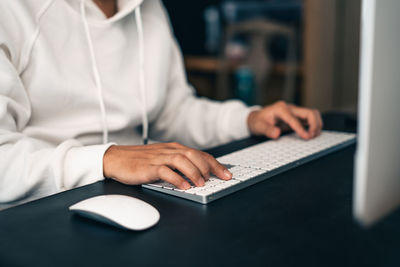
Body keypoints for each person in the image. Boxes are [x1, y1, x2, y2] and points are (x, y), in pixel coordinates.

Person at [0, 0, 322, 208]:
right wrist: (106, 159)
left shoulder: (149, 8)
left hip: (140, 195)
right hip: (42, 211)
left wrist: (248, 120)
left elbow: (173, 111)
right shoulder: (11, 11)